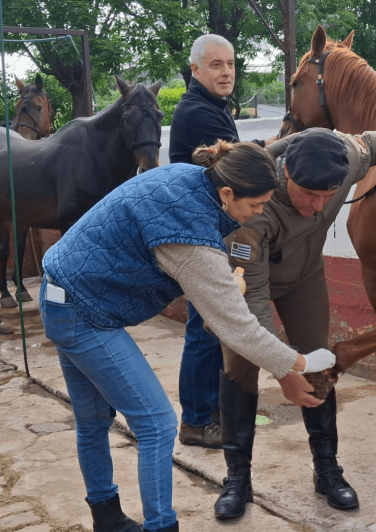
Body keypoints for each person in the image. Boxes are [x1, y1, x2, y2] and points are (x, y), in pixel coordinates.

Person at [39, 141, 337, 532]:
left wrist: (223, 286)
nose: (261, 212)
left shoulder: (190, 177)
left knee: (94, 421)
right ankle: (162, 525)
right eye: (257, 204)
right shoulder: (189, 234)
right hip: (83, 313)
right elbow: (236, 326)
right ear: (228, 194)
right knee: (157, 424)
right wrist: (298, 363)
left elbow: (205, 281)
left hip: (62, 291)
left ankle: (106, 517)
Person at [214, 126, 376, 519]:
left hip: (305, 277)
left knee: (318, 360)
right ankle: (237, 479)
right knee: (239, 366)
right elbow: (254, 305)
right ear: (286, 176)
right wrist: (282, 370)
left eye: (327, 198)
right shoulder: (253, 209)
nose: (318, 208)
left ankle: (327, 470)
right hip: (250, 286)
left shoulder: (346, 160)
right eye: (309, 195)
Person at [167, 34, 254, 449]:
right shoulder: (201, 113)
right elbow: (242, 168)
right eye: (216, 65)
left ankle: (208, 412)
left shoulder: (213, 107)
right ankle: (197, 421)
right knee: (204, 328)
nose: (226, 72)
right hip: (199, 233)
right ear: (196, 70)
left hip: (204, 230)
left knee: (209, 326)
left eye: (231, 64)